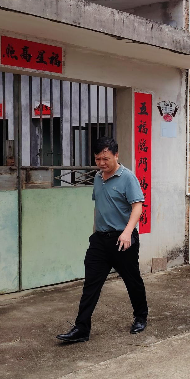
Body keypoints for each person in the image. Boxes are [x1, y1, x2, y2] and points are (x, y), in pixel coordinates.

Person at [57, 137, 148, 343]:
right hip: (100, 240)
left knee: (132, 280)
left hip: (123, 239)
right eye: (97, 159)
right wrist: (94, 233)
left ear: (116, 155)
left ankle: (141, 316)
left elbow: (137, 207)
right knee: (91, 283)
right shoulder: (98, 178)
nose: (101, 163)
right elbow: (99, 208)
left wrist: (127, 232)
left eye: (105, 159)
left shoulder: (128, 178)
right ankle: (82, 328)